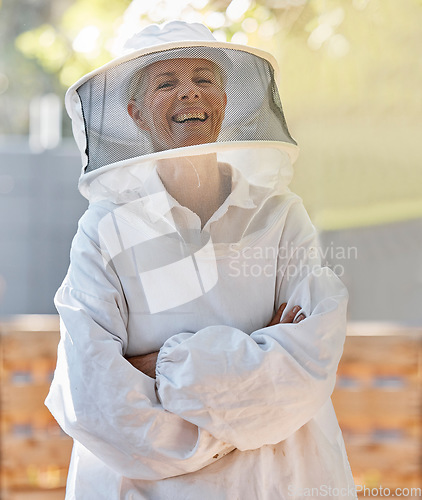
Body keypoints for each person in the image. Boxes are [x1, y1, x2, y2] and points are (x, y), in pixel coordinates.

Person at [46, 21, 356, 499]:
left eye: (203, 79)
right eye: (166, 83)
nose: (188, 93)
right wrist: (242, 401)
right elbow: (94, 399)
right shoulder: (104, 231)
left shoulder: (280, 216)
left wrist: (162, 365)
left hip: (280, 483)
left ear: (225, 100)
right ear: (135, 113)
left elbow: (308, 364)